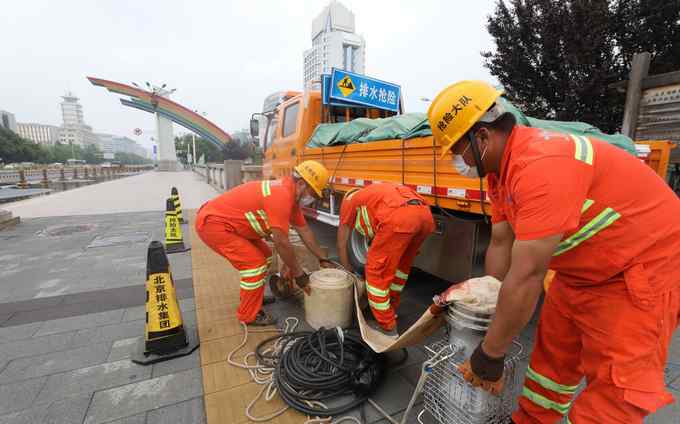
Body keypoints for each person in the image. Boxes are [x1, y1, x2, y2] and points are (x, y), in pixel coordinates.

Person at [428, 80, 680, 423]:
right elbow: (502, 241)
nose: (459, 161)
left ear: (482, 138)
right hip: (583, 270)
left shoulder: (541, 166)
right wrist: (485, 303)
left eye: (458, 151)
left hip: (643, 269)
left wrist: (490, 353)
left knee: (615, 389)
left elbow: (528, 274)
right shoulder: (500, 175)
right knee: (553, 361)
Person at [195, 160, 333, 326]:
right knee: (254, 264)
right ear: (302, 184)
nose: (313, 199)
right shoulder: (281, 196)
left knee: (266, 255)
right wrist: (299, 275)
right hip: (214, 225)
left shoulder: (290, 197)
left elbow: (305, 231)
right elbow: (281, 242)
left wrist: (322, 258)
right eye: (313, 193)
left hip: (232, 226)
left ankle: (253, 299)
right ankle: (248, 315)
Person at [337, 183, 435, 337]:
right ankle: (391, 308)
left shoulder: (349, 201)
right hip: (425, 216)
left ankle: (387, 327)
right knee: (401, 267)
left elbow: (341, 242)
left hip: (400, 219)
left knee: (376, 273)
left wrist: (347, 269)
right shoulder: (373, 194)